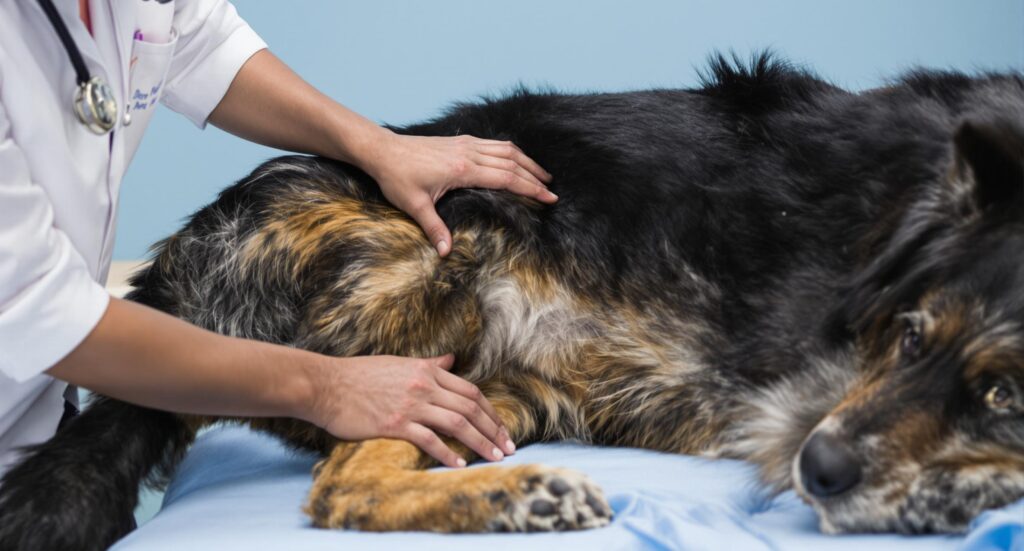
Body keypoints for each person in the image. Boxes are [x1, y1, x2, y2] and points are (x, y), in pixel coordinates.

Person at [0, 0, 557, 477]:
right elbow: (41, 310)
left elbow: (201, 46)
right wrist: (328, 388)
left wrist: (379, 147)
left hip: (36, 415)